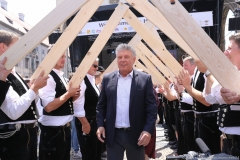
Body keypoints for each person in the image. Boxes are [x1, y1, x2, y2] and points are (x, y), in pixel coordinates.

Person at [96, 43, 157, 160]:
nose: (122, 60)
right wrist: (100, 125)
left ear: (134, 59)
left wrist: (148, 130)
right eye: (119, 57)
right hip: (113, 135)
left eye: (126, 57)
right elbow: (101, 106)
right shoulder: (107, 79)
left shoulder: (145, 79)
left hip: (136, 135)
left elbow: (151, 108)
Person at [0, 30, 48, 160]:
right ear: (3, 47)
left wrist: (34, 90)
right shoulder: (2, 75)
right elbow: (14, 112)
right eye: (17, 46)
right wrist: (33, 89)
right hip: (14, 137)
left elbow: (29, 104)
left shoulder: (12, 72)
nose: (22, 51)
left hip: (27, 134)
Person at [38, 50, 81, 160]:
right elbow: (48, 107)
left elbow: (66, 100)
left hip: (63, 130)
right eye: (60, 56)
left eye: (64, 56)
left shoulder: (61, 76)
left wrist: (74, 95)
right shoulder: (48, 77)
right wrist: (68, 94)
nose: (64, 59)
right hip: (53, 132)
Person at [204, 33, 240, 157]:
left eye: (230, 48)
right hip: (227, 140)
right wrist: (209, 75)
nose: (225, 52)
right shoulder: (229, 73)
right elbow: (211, 98)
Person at [178, 58, 221, 154]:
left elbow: (207, 101)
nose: (183, 68)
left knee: (209, 152)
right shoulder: (198, 71)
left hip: (208, 120)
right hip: (199, 119)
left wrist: (187, 87)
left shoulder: (206, 72)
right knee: (198, 151)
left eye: (186, 65)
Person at [74, 58, 103, 160]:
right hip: (87, 121)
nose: (96, 68)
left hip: (94, 121)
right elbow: (77, 105)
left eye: (97, 66)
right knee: (89, 153)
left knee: (96, 152)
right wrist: (85, 123)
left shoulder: (92, 81)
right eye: (94, 66)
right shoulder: (82, 80)